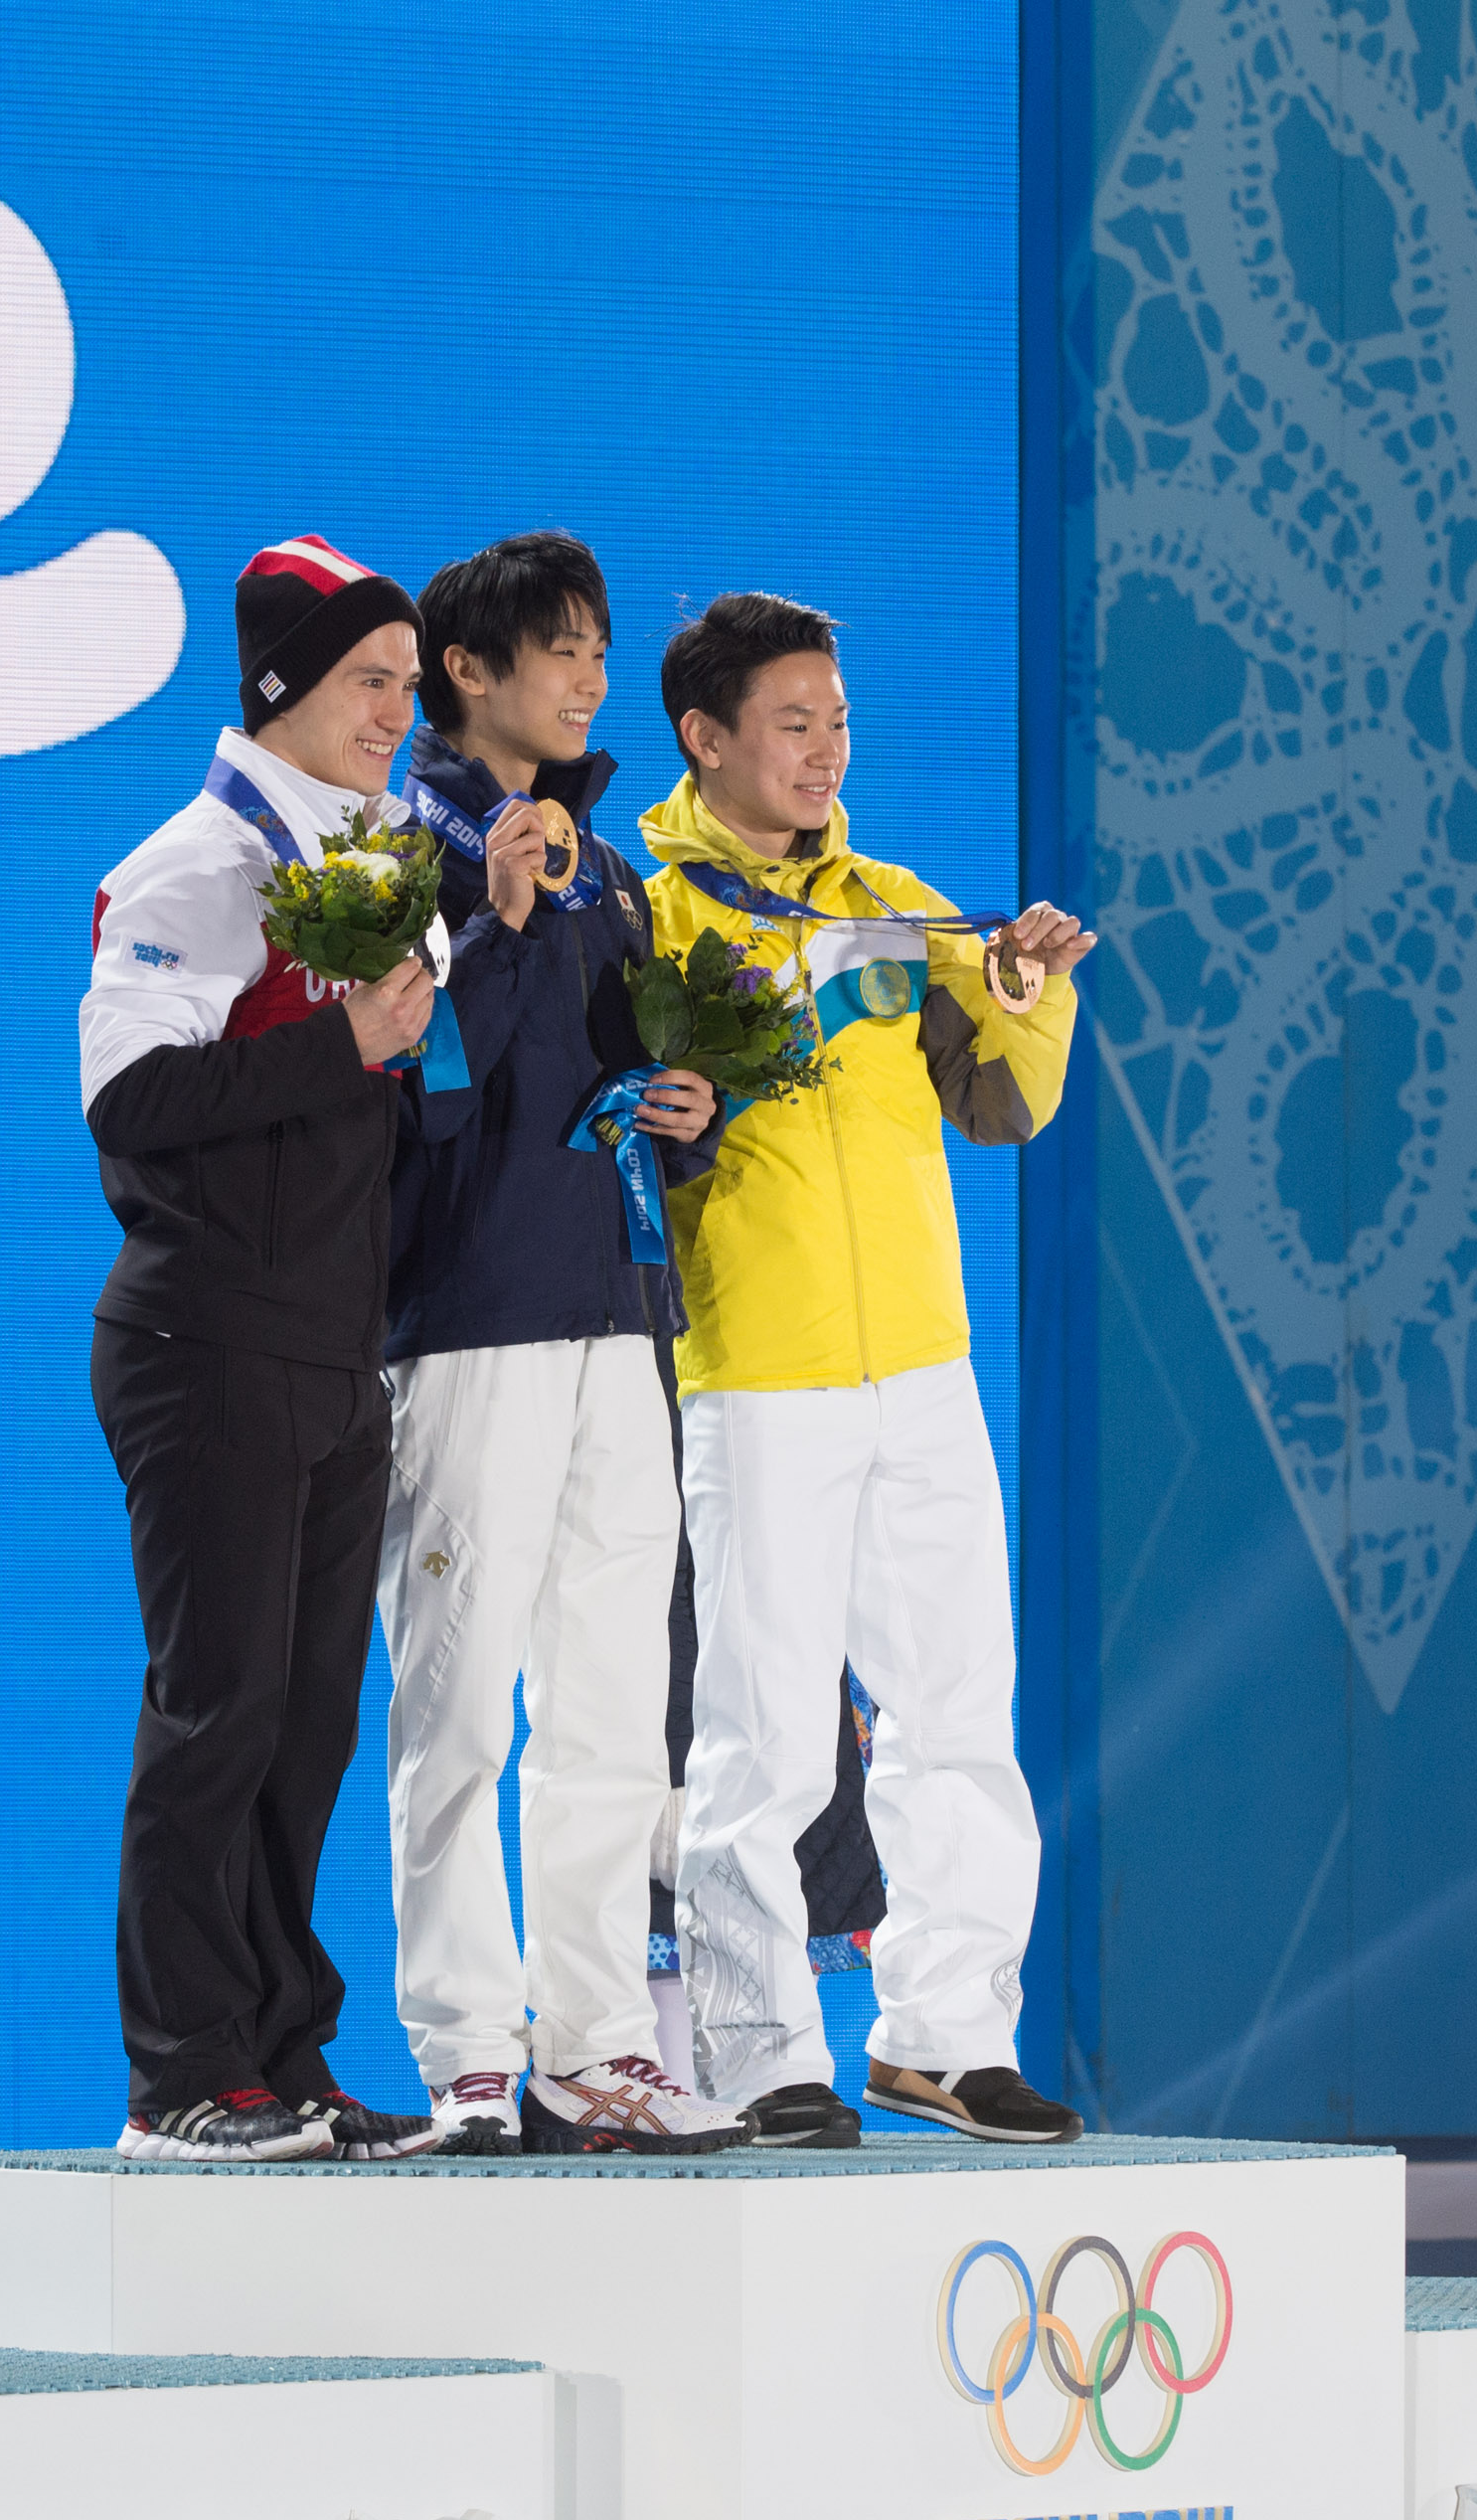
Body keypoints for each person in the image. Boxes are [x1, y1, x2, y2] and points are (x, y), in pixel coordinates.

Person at [638, 591, 1096, 2149]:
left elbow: (1001, 1106)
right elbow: (620, 1135)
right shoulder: (651, 923)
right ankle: (760, 2049)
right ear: (705, 738)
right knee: (762, 1732)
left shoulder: (898, 909)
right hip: (757, 1370)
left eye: (837, 721)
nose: (826, 750)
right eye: (793, 723)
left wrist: (1027, 992)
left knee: (958, 1706)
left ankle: (946, 2037)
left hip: (921, 1363)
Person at [78, 535, 447, 2163]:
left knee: (306, 1732)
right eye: (370, 680)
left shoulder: (375, 867)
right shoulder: (195, 867)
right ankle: (180, 2075)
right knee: (217, 1712)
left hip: (330, 1355)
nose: (396, 714)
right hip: (205, 1340)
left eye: (409, 686)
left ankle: (282, 2057)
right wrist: (338, 1041)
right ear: (282, 687)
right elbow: (129, 1105)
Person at [377, 533, 747, 2155]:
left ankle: (594, 2046)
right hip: (472, 1321)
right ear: (468, 671)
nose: (594, 677)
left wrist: (687, 1120)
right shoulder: (404, 856)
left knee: (612, 1705)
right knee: (460, 1701)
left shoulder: (609, 869)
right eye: (564, 647)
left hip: (618, 1315)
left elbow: (608, 1088)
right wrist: (497, 920)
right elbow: (422, 1100)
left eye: (600, 648)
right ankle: (468, 2048)